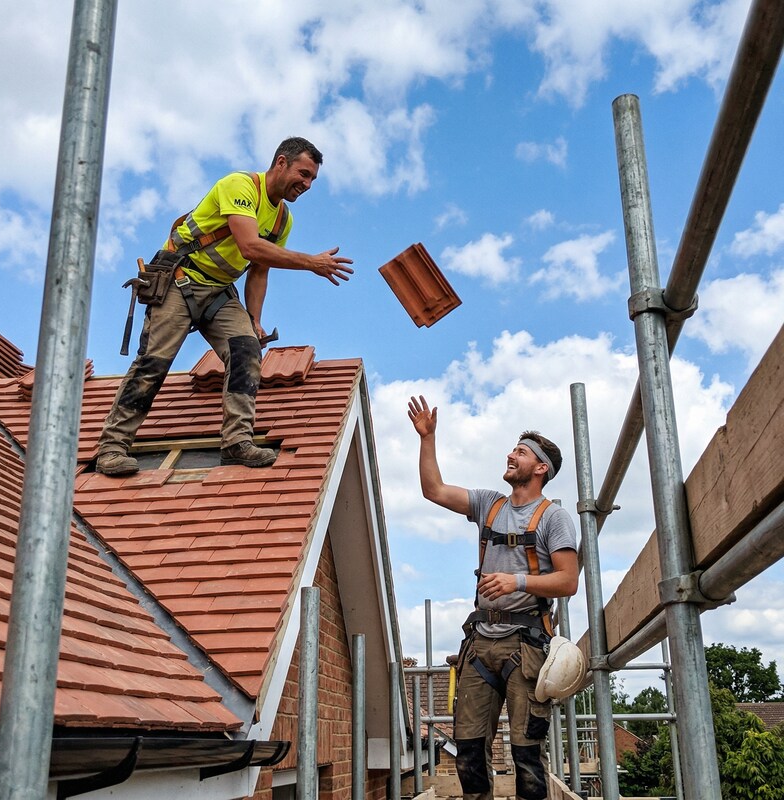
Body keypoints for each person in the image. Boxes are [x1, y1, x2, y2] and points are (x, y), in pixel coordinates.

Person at [96, 137, 353, 476]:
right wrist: (311, 262)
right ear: (281, 163)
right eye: (303, 174)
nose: (306, 185)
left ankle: (236, 444)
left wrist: (255, 319)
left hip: (218, 290)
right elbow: (249, 247)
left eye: (312, 180)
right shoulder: (239, 185)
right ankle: (112, 448)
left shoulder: (281, 220)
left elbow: (260, 271)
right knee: (154, 362)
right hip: (181, 278)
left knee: (247, 350)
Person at [407, 395, 578, 800]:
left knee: (525, 753)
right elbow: (433, 490)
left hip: (526, 644)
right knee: (467, 750)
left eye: (520, 452)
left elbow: (568, 581)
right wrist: (427, 438)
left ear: (540, 468)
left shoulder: (553, 518)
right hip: (480, 643)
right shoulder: (489, 504)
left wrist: (516, 582)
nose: (510, 455)